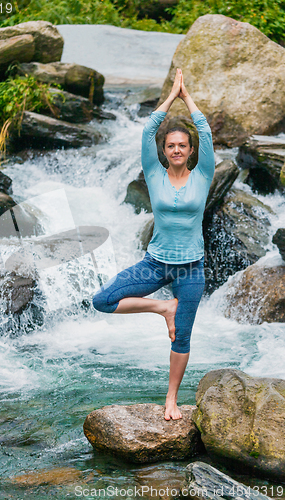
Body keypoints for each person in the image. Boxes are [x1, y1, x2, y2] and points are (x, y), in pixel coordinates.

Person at [92, 68, 215, 420]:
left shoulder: (203, 174)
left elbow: (205, 131)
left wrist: (187, 97)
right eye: (171, 145)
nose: (177, 149)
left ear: (191, 151)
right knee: (102, 300)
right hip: (156, 263)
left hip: (191, 267)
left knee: (183, 339)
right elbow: (148, 130)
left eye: (182, 146)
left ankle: (171, 400)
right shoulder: (154, 173)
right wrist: (169, 97)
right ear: (164, 150)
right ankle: (164, 309)